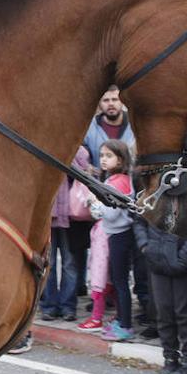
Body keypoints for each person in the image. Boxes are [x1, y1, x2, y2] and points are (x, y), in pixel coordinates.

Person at [133, 212, 187, 374]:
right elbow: (138, 218)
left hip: (183, 261)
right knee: (163, 312)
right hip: (156, 259)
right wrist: (145, 246)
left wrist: (185, 257)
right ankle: (170, 358)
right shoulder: (153, 191)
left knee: (184, 314)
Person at [80, 140, 135, 339]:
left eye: (109, 156)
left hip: (119, 234)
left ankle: (125, 325)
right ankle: (122, 320)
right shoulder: (116, 180)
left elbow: (108, 214)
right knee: (118, 279)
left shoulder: (117, 182)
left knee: (120, 281)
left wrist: (93, 203)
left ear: (120, 160)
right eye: (102, 155)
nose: (103, 160)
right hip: (117, 233)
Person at [41, 147, 89, 323]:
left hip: (72, 217)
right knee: (49, 263)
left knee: (70, 264)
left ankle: (68, 306)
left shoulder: (80, 151)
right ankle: (49, 306)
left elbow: (84, 173)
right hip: (48, 215)